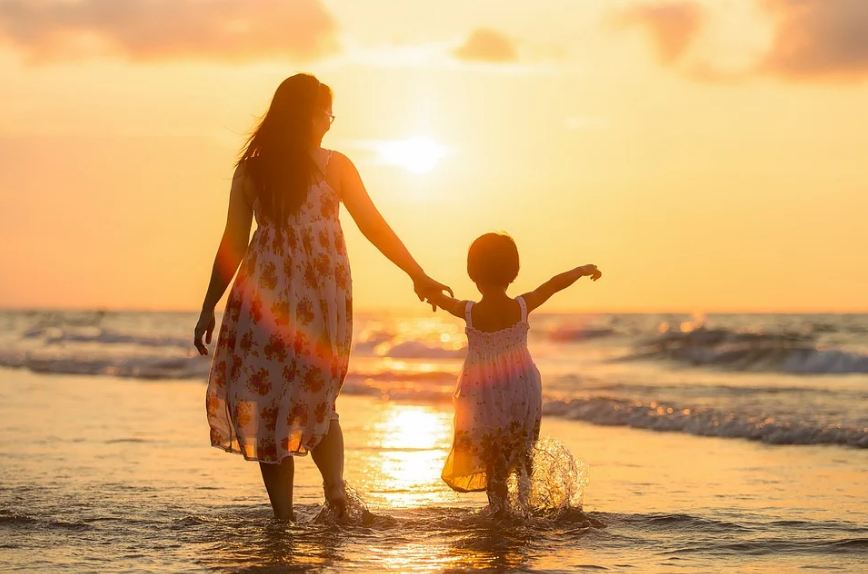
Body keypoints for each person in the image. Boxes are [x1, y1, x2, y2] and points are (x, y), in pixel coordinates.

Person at [193, 73, 451, 520]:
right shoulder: (334, 165)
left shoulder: (253, 169)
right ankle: (334, 495)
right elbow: (373, 225)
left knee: (267, 401)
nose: (330, 122)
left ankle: (284, 519)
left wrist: (209, 305)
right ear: (309, 115)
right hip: (319, 296)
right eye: (327, 112)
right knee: (317, 396)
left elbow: (233, 243)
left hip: (263, 299)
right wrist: (417, 274)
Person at [425, 232, 601, 514]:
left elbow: (443, 301)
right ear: (513, 272)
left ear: (473, 273)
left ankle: (501, 512)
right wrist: (581, 271)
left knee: (494, 457)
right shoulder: (521, 306)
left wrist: (428, 291)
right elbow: (554, 285)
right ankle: (525, 507)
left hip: (484, 393)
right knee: (523, 450)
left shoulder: (469, 311)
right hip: (522, 387)